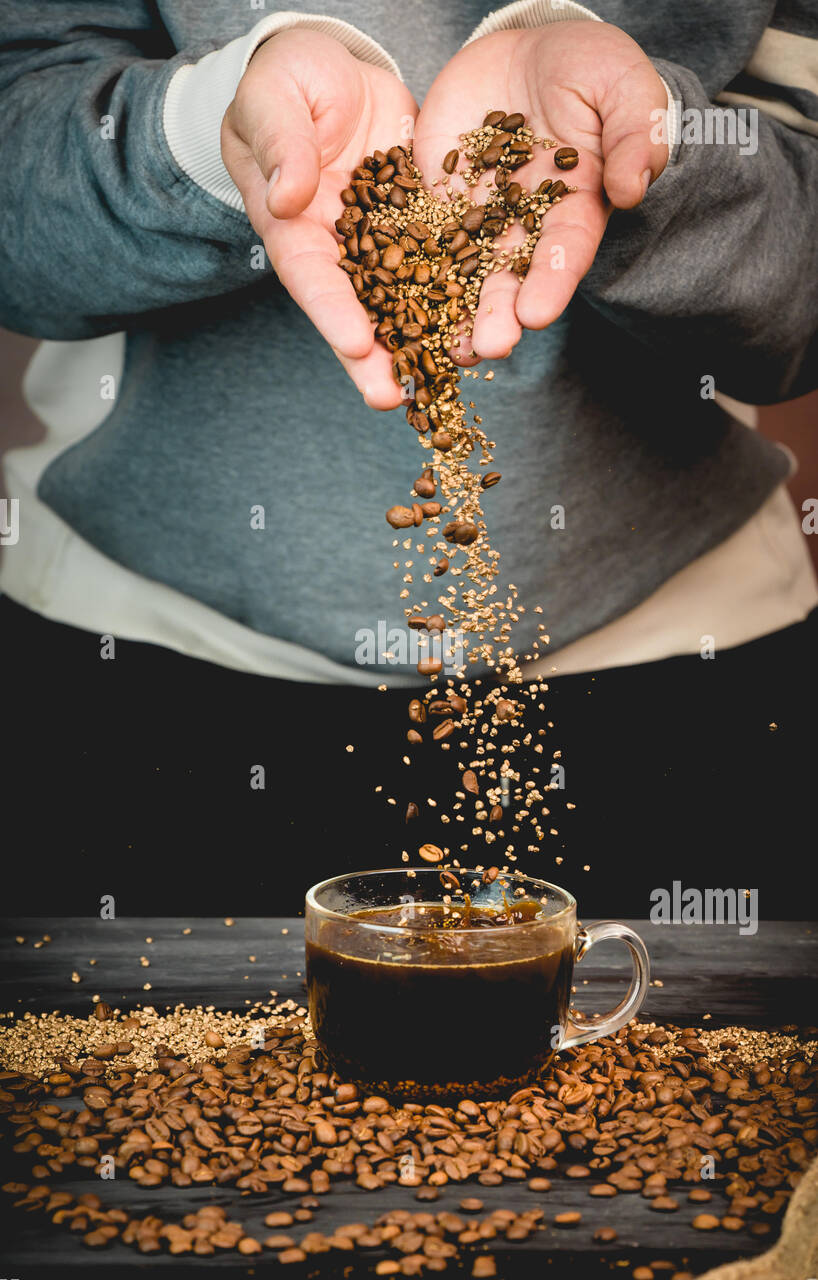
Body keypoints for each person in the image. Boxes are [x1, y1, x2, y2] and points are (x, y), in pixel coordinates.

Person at [0, 2, 815, 918]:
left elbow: (803, 312)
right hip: (144, 661)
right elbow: (15, 214)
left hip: (687, 661)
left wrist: (652, 149)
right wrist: (206, 132)